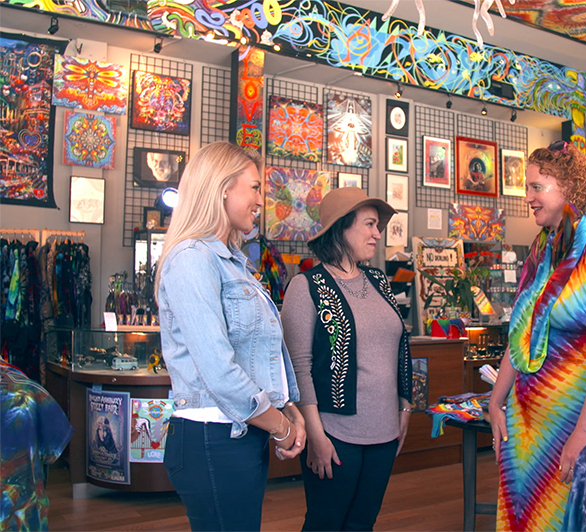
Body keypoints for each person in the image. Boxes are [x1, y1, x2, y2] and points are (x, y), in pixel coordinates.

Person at [488, 140, 586, 531]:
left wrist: (583, 434)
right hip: (526, 428)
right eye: (528, 187)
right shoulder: (543, 256)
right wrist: (495, 400)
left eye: (537, 186)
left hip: (580, 425)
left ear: (570, 187)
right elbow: (521, 334)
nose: (528, 197)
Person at [156, 141, 306, 531]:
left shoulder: (233, 261)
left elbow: (261, 350)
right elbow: (218, 369)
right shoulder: (191, 258)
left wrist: (287, 407)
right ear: (223, 188)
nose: (261, 198)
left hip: (238, 436)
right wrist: (282, 426)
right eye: (254, 187)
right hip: (212, 438)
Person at [281, 187, 413, 531]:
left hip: (384, 434)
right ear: (341, 228)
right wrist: (316, 434)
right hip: (335, 434)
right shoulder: (306, 286)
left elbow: (399, 345)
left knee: (362, 523)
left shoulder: (380, 281)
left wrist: (404, 407)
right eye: (369, 224)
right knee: (326, 522)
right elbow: (299, 367)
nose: (377, 234)